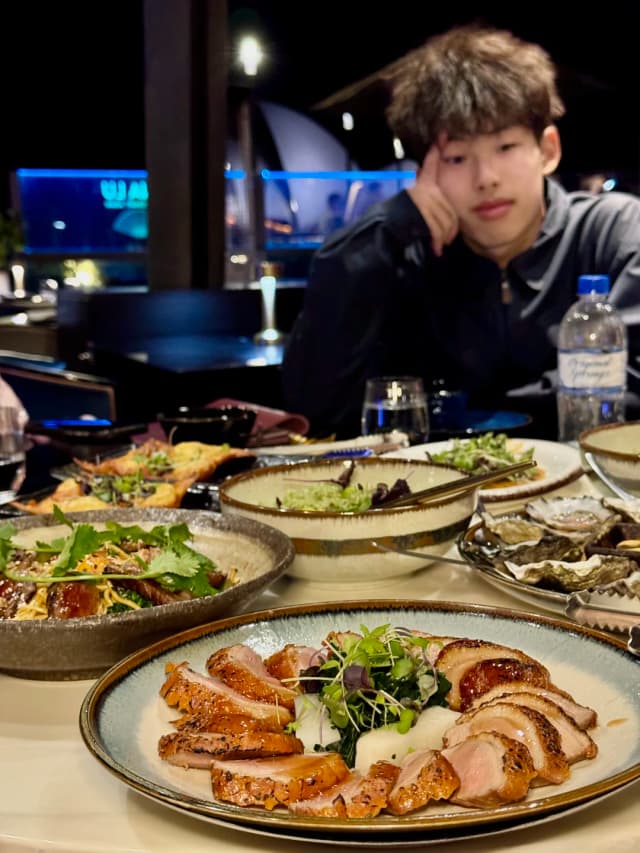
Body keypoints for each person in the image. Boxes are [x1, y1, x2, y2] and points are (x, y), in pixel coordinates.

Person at [282, 25, 640, 439]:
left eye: (505, 147)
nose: (485, 178)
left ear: (548, 150)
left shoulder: (613, 233)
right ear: (425, 174)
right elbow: (316, 405)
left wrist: (474, 416)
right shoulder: (407, 262)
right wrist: (383, 230)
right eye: (456, 158)